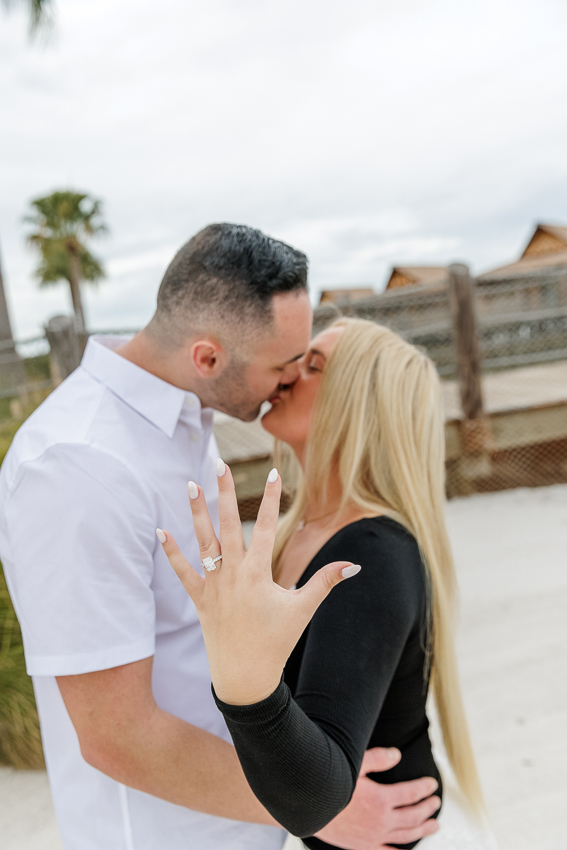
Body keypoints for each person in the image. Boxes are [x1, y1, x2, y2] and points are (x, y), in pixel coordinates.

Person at [0, 225, 441, 850]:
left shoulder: (186, 424)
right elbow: (114, 734)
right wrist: (319, 808)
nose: (290, 380)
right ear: (208, 358)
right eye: (284, 365)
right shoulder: (80, 466)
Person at [158, 317, 499, 849]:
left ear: (358, 404)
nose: (288, 373)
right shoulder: (303, 532)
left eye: (312, 365)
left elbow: (313, 799)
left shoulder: (369, 555)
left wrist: (243, 676)